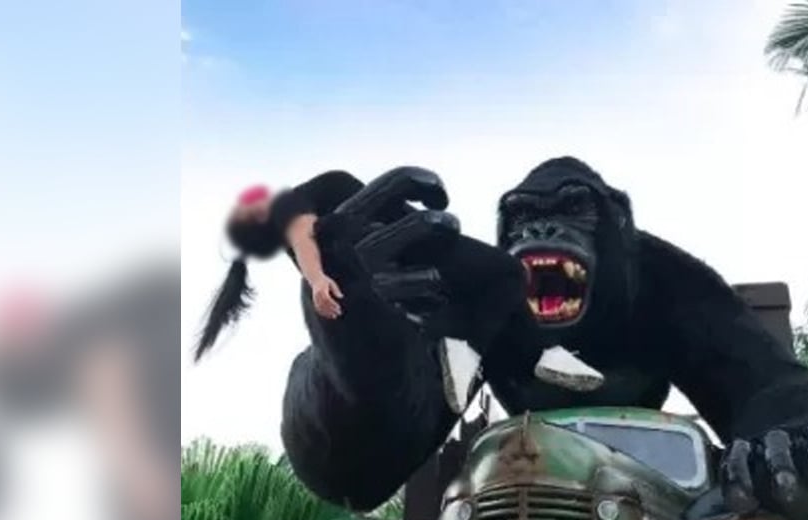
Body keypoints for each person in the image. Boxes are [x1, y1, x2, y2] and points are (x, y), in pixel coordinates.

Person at [194, 170, 603, 413]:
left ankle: (526, 350)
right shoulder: (295, 218)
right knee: (508, 273)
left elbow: (308, 238)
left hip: (414, 254)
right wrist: (318, 280)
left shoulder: (297, 213)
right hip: (418, 254)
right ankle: (498, 350)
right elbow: (304, 239)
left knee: (504, 280)